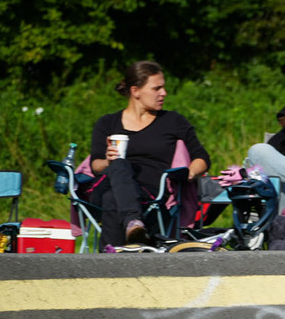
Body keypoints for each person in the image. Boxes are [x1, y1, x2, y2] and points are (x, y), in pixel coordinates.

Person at [90, 60, 211, 248]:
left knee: (112, 198)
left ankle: (109, 261)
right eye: (157, 88)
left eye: (163, 88)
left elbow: (202, 158)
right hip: (107, 184)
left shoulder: (173, 121)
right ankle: (133, 223)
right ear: (135, 91)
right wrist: (108, 160)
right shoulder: (107, 123)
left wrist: (188, 172)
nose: (164, 93)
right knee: (119, 164)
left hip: (150, 193)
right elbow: (95, 165)